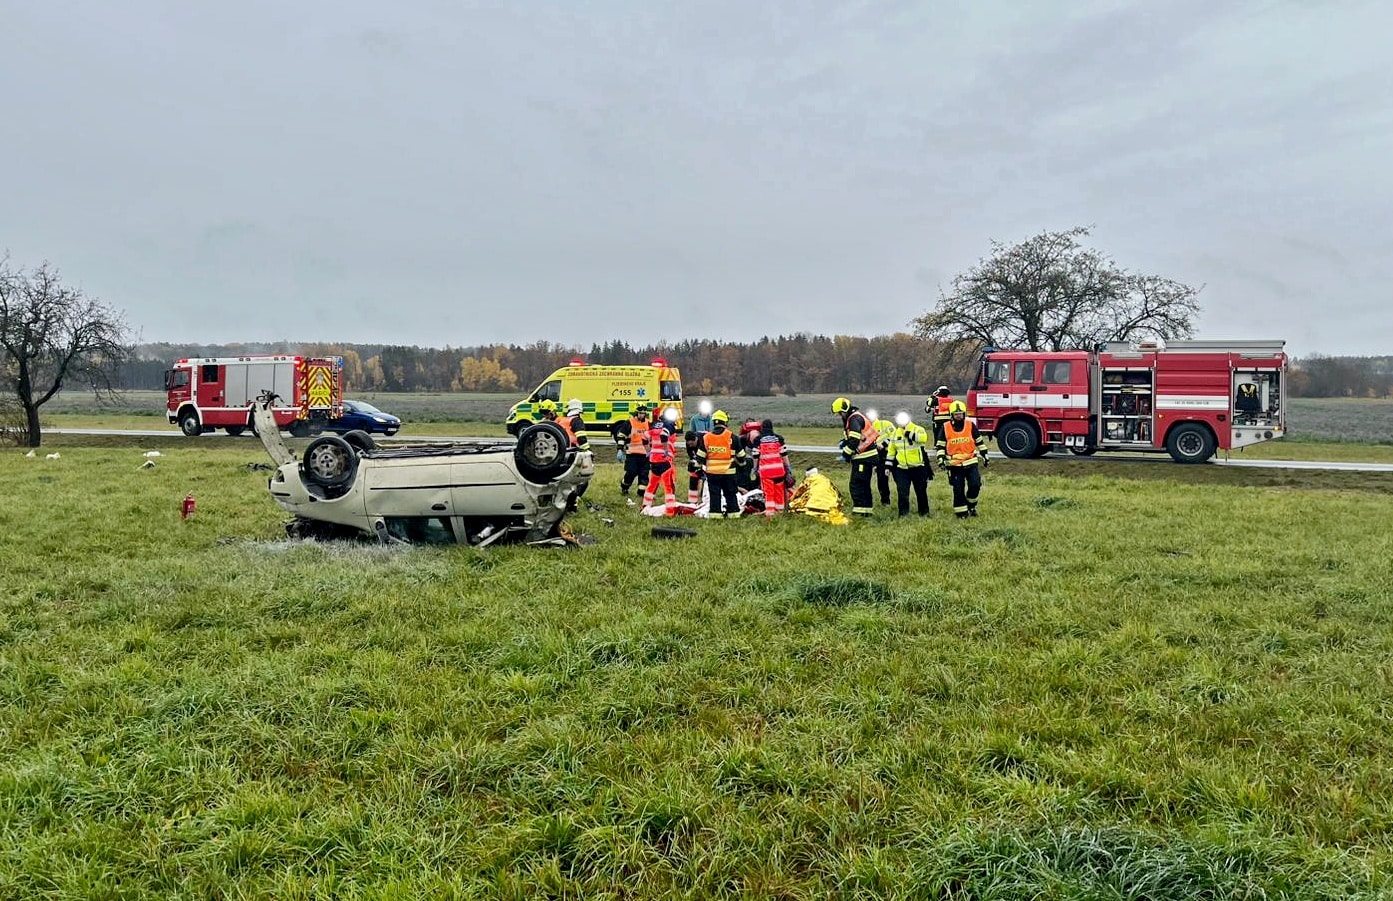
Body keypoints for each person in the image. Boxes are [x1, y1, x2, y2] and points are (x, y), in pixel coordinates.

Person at [935, 400, 988, 518]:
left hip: (971, 461)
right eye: (956, 414)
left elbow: (979, 442)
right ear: (951, 415)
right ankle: (961, 513)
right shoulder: (945, 427)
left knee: (975, 485)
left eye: (961, 413)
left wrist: (984, 454)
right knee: (958, 489)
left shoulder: (970, 425)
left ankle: (971, 505)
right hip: (954, 465)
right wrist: (941, 459)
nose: (959, 416)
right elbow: (940, 445)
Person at [831, 397, 880, 517]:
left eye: (840, 414)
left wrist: (845, 454)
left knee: (857, 485)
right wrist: (844, 442)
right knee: (864, 485)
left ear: (844, 411)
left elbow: (854, 440)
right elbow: (857, 437)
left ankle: (859, 513)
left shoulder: (854, 419)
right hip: (866, 456)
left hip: (864, 457)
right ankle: (866, 512)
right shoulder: (856, 417)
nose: (840, 416)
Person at [696, 410, 747, 518]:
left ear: (713, 422)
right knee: (730, 494)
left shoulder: (706, 438)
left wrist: (696, 466)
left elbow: (700, 457)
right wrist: (742, 465)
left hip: (713, 473)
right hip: (729, 472)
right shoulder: (732, 437)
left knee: (715, 495)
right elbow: (742, 456)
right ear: (725, 422)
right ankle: (733, 515)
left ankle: (715, 516)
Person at [888, 411, 932, 517]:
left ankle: (924, 513)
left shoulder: (918, 429)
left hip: (918, 467)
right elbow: (891, 451)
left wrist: (909, 434)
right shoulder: (895, 433)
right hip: (902, 468)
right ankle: (903, 514)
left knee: (921, 491)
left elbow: (923, 438)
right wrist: (887, 466)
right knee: (902, 492)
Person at [753, 419, 792, 516]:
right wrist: (788, 467)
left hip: (766, 472)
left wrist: (755, 468)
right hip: (779, 471)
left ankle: (770, 515)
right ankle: (780, 513)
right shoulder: (779, 438)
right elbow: (784, 454)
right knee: (779, 493)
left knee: (769, 494)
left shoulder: (758, 440)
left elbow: (755, 456)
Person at [642, 417, 679, 515]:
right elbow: (663, 435)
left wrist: (648, 451)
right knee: (668, 486)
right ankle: (670, 511)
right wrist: (666, 450)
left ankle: (645, 506)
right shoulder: (669, 425)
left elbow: (644, 437)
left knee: (652, 485)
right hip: (664, 460)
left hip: (654, 460)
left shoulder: (655, 426)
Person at [559, 399, 590, 511]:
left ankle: (564, 503)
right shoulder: (577, 421)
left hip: (561, 454)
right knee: (581, 480)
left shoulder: (563, 420)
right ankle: (572, 505)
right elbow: (581, 438)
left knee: (565, 481)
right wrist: (588, 452)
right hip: (573, 453)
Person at [613, 405, 652, 496]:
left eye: (643, 413)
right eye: (640, 413)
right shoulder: (629, 423)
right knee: (631, 473)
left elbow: (652, 439)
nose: (642, 415)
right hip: (632, 454)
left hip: (645, 455)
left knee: (644, 475)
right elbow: (621, 436)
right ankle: (624, 487)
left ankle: (641, 493)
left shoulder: (648, 424)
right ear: (636, 413)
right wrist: (619, 450)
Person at [869, 411, 897, 507]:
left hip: (892, 453)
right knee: (881, 479)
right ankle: (885, 502)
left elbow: (895, 436)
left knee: (899, 477)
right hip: (879, 456)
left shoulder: (885, 424)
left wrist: (884, 444)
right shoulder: (868, 428)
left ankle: (902, 498)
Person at [684, 430, 705, 504]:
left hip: (709, 459)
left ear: (696, 439)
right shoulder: (689, 444)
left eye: (692, 444)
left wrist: (700, 465)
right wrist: (693, 463)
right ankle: (692, 500)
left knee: (704, 478)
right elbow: (692, 456)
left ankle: (703, 498)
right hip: (699, 459)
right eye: (688, 444)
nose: (690, 446)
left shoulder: (704, 440)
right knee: (693, 473)